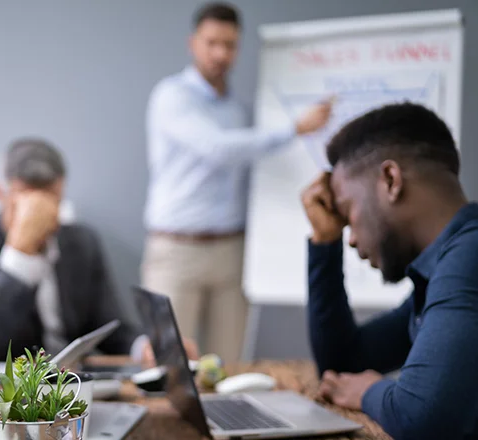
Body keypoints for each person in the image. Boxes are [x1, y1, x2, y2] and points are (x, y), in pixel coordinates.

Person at [140, 1, 333, 363]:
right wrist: (294, 129)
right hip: (177, 250)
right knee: (168, 365)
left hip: (231, 249)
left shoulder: (239, 110)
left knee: (228, 366)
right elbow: (218, 148)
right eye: (211, 43)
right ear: (193, 43)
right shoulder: (172, 96)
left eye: (229, 45)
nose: (220, 54)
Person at [302, 102, 478, 439]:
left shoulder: (470, 256)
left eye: (347, 213)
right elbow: (342, 363)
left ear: (390, 180)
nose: (351, 238)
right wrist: (325, 240)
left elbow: (423, 419)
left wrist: (370, 390)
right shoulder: (441, 272)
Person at [0, 137, 171, 363]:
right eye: (28, 201)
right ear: (0, 194)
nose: (41, 212)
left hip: (73, 377)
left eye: (51, 200)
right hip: (9, 381)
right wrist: (21, 252)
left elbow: (110, 329)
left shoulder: (82, 243)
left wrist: (144, 347)